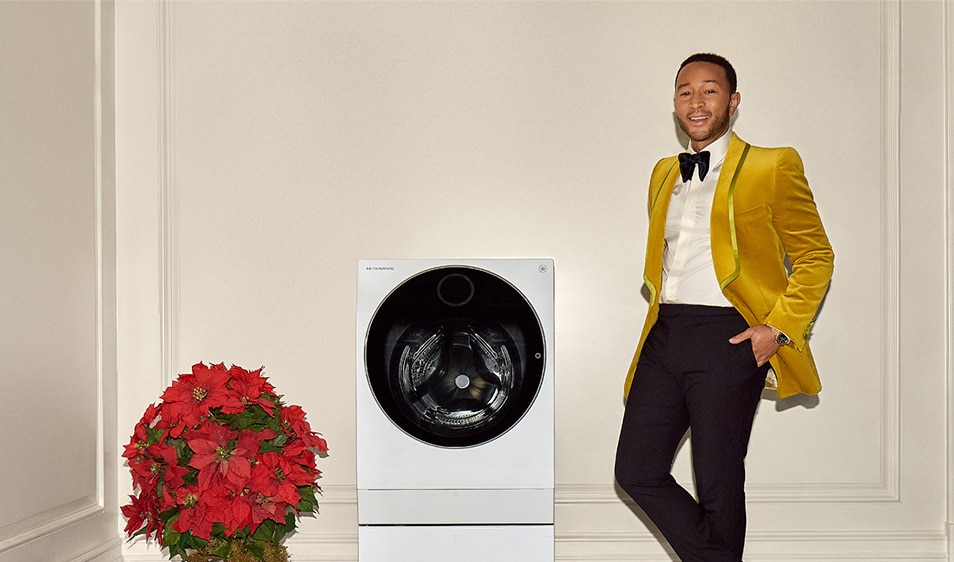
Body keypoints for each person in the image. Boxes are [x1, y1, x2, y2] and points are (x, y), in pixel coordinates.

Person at [614, 53, 834, 562]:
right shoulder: (663, 172)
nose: (697, 101)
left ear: (732, 102)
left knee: (717, 480)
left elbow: (815, 255)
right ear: (675, 104)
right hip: (666, 333)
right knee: (636, 470)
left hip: (729, 337)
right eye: (685, 91)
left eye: (710, 90)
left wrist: (776, 329)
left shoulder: (772, 165)